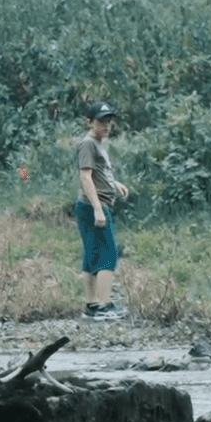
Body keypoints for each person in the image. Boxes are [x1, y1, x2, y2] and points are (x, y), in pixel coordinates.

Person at [76, 101, 131, 321]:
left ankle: (91, 305)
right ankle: (104, 305)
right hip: (94, 206)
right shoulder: (88, 143)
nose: (106, 126)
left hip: (93, 204)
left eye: (109, 121)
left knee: (91, 256)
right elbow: (85, 176)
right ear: (89, 122)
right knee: (108, 254)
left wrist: (114, 184)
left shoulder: (98, 143)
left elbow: (99, 173)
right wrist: (99, 209)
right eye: (101, 121)